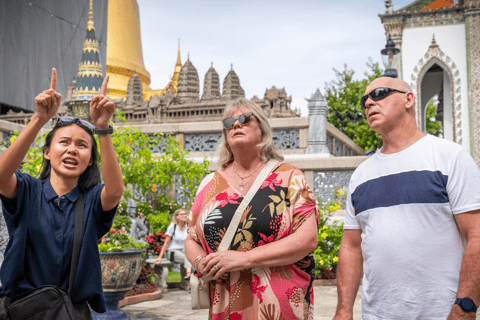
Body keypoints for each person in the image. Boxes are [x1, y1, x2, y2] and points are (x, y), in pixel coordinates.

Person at [333, 77, 480, 320]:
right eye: (364, 100)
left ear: (408, 99)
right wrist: (344, 310)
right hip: (377, 315)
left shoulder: (449, 157)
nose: (369, 102)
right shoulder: (361, 175)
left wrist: (465, 307)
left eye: (379, 93)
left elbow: (476, 235)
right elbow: (351, 246)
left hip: (442, 314)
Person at [0, 68, 123, 319]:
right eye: (64, 142)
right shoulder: (27, 191)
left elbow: (114, 192)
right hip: (22, 311)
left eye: (82, 145)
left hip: (71, 313)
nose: (72, 150)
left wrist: (102, 128)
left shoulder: (90, 201)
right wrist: (39, 119)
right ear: (47, 152)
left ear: (90, 161)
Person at [184, 98, 319, 319]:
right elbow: (191, 238)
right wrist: (201, 263)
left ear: (262, 131)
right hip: (225, 306)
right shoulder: (210, 184)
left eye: (245, 119)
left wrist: (244, 259)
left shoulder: (289, 176)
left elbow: (307, 239)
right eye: (229, 122)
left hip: (278, 305)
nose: (236, 125)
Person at [153, 207, 192, 280]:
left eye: (185, 214)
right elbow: (166, 243)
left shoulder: (188, 226)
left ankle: (186, 281)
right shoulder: (172, 227)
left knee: (191, 256)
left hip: (183, 250)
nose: (184, 215)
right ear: (177, 216)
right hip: (172, 251)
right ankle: (189, 273)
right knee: (187, 258)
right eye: (182, 214)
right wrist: (160, 257)